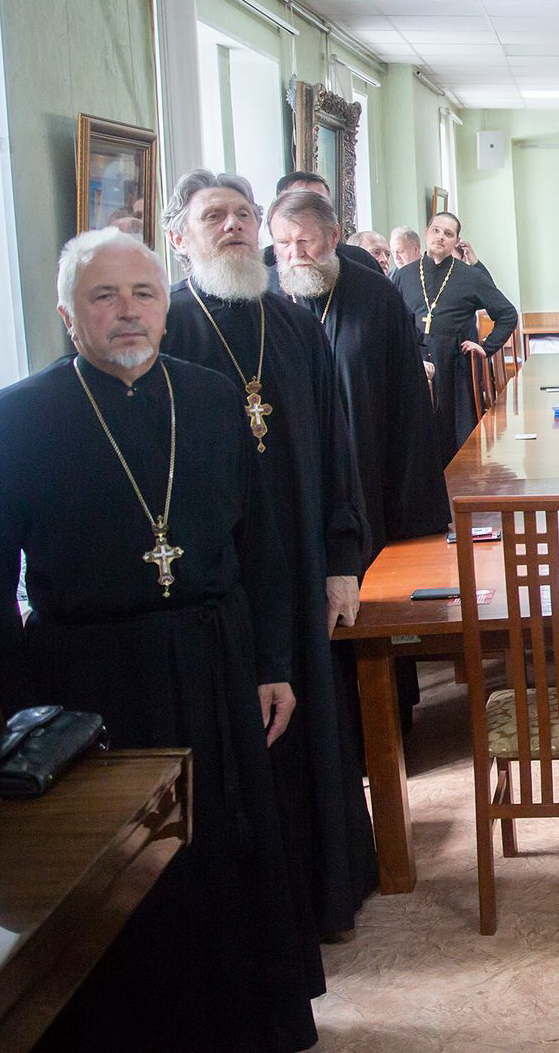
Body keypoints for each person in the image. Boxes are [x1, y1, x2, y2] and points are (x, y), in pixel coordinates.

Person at [0, 230, 324, 1051]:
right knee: (118, 875)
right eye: (104, 297)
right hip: (89, 681)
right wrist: (21, 714)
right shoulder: (12, 419)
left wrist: (272, 663)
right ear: (68, 315)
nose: (127, 312)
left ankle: (243, 1026)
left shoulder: (209, 397)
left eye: (143, 294)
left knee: (225, 849)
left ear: (165, 307)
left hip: (212, 657)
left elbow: (259, 544)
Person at [159, 169, 377, 943]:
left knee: (311, 718)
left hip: (302, 556)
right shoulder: (166, 328)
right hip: (216, 575)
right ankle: (262, 911)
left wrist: (343, 557)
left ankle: (327, 890)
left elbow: (339, 444)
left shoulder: (291, 322)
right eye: (213, 216)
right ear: (179, 237)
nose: (233, 227)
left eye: (244, 215)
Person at [271, 189, 450, 559]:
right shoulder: (266, 298)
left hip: (362, 466)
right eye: (283, 243)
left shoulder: (377, 295)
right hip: (291, 472)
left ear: (333, 236)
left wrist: (413, 510)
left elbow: (407, 402)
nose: (294, 254)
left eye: (305, 241)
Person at [391, 210, 520, 462]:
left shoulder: (470, 276)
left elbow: (507, 313)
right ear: (427, 233)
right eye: (436, 230)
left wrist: (486, 347)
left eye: (448, 234)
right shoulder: (403, 275)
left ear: (456, 241)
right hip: (414, 365)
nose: (440, 237)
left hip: (454, 367)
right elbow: (392, 319)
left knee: (456, 442)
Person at [266, 171, 380, 273]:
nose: (296, 252)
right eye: (300, 202)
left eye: (320, 204)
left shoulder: (360, 259)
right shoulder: (264, 265)